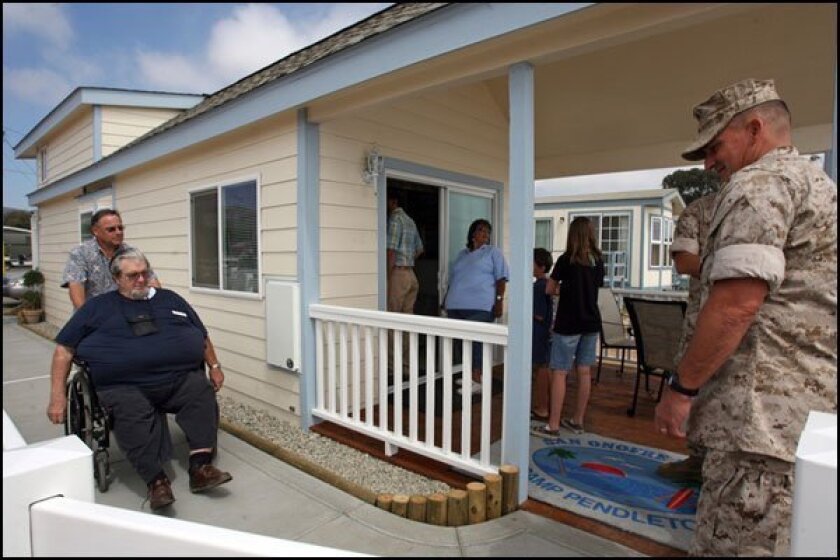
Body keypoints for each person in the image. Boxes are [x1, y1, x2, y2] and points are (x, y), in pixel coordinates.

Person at [655, 78, 836, 556]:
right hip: (799, 421)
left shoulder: (760, 184)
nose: (710, 162)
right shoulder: (816, 182)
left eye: (715, 145)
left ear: (755, 128)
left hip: (757, 426)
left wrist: (682, 389)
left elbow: (737, 302)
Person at [47, 248, 232, 511]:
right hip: (125, 385)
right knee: (131, 413)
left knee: (200, 391)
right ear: (116, 279)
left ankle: (201, 467)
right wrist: (57, 398)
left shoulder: (171, 299)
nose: (141, 280)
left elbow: (200, 335)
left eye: (145, 273)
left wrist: (214, 366)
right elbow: (63, 351)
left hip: (179, 379)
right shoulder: (96, 308)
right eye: (133, 275)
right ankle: (156, 482)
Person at [655, 191, 718, 485]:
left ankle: (721, 467)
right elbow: (683, 261)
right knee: (699, 392)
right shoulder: (699, 211)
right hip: (702, 317)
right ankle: (699, 461)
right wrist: (734, 270)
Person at [534, 217, 605, 436]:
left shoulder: (566, 260)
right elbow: (596, 287)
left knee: (560, 372)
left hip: (568, 323)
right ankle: (577, 420)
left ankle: (553, 425)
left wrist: (563, 289)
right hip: (591, 322)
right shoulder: (598, 260)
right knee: (584, 372)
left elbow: (549, 289)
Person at [443, 219, 509, 393]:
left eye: (488, 231)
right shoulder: (462, 254)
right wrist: (445, 300)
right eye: (481, 230)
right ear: (473, 233)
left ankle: (477, 379)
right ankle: (468, 375)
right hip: (455, 305)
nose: (485, 234)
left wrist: (499, 300)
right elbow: (454, 280)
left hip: (482, 306)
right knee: (460, 341)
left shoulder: (493, 252)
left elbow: (501, 278)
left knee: (474, 338)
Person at [62, 208, 161, 310]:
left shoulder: (132, 253)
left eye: (120, 228)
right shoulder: (80, 254)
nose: (118, 232)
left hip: (127, 314)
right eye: (111, 229)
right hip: (94, 315)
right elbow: (76, 290)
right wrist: (87, 319)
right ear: (95, 231)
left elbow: (152, 282)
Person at [386, 191, 424, 315]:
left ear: (393, 202)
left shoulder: (395, 219)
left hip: (399, 273)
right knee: (408, 315)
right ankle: (409, 336)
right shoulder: (410, 221)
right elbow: (420, 249)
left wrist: (388, 275)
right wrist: (408, 260)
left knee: (393, 315)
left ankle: (392, 336)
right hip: (411, 275)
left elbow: (391, 250)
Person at [531, 248, 554, 421]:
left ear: (541, 266)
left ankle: (542, 407)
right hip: (545, 333)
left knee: (540, 370)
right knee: (544, 368)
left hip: (539, 333)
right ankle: (547, 405)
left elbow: (539, 314)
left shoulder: (538, 286)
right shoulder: (546, 284)